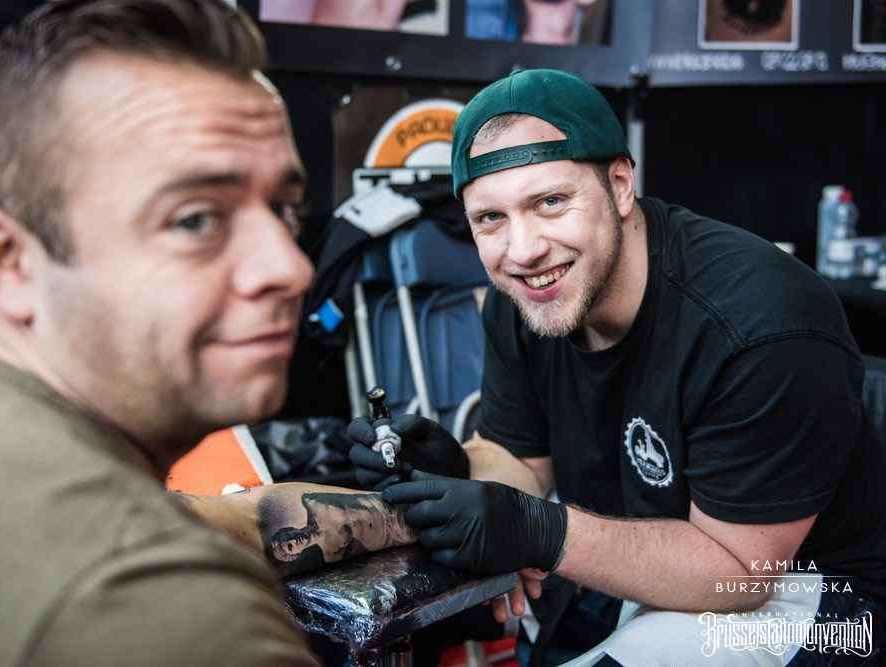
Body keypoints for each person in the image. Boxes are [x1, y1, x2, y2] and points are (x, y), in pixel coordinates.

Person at [0, 2, 419, 665]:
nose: (291, 267)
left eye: (283, 208)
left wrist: (425, 516)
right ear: (9, 260)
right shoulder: (174, 614)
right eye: (195, 219)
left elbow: (233, 516)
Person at [349, 68, 886, 665]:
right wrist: (457, 472)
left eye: (550, 202)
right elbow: (520, 458)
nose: (523, 250)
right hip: (651, 560)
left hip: (816, 600)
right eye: (491, 219)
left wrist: (539, 530)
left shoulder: (760, 320)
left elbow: (737, 574)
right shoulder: (529, 297)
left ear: (621, 186)